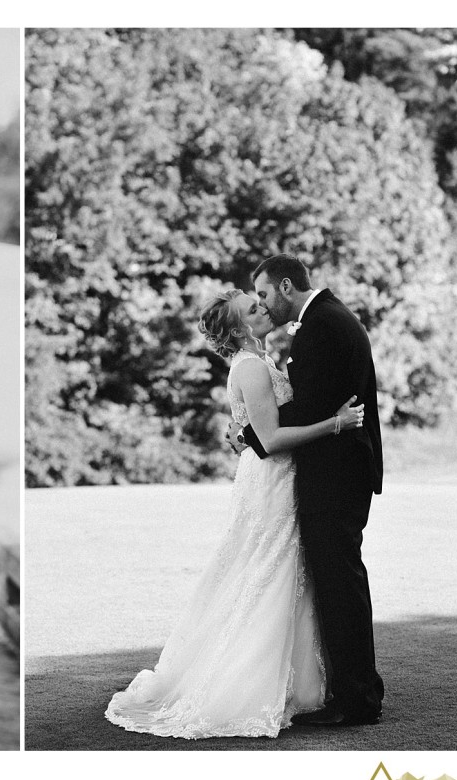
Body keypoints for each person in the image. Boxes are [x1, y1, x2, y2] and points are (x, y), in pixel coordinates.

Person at [105, 287, 364, 739]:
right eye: (252, 308)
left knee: (274, 573)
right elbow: (273, 439)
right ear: (240, 327)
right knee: (268, 573)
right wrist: (335, 423)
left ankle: (295, 685)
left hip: (275, 476)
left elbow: (259, 429)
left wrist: (243, 432)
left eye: (258, 301)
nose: (263, 307)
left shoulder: (256, 363)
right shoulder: (252, 368)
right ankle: (246, 686)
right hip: (272, 480)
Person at [233, 254, 384, 727]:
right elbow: (310, 403)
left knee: (340, 583)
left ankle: (357, 699)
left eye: (262, 294)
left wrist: (251, 437)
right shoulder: (324, 320)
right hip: (335, 473)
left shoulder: (322, 326)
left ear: (284, 286)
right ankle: (349, 690)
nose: (260, 303)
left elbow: (310, 407)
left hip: (337, 477)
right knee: (336, 581)